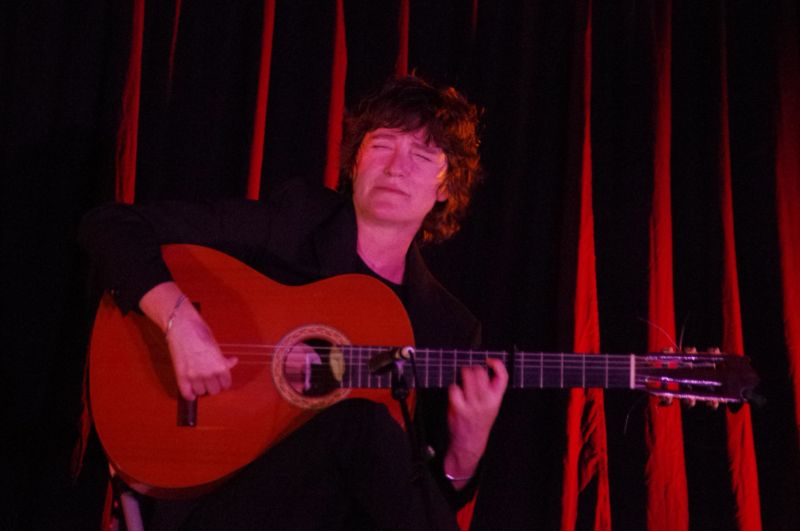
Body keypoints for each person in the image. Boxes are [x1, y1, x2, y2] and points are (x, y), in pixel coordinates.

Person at [79, 75, 508, 530]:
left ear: (446, 187)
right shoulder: (292, 225)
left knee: (370, 435)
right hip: (221, 496)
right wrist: (179, 321)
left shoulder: (446, 325)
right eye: (382, 145)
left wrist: (466, 449)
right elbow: (109, 225)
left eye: (421, 156)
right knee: (361, 423)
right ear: (356, 162)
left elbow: (418, 502)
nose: (396, 168)